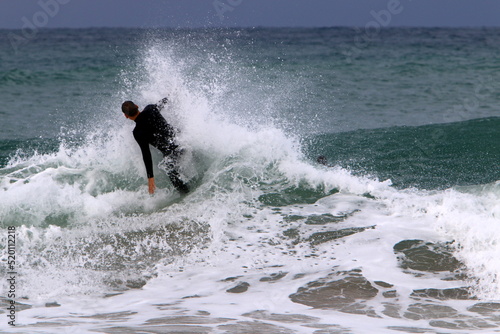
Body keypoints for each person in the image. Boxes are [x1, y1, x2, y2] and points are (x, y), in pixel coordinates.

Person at [121, 98, 189, 194]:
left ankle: (186, 194)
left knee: (169, 168)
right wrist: (174, 95)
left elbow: (146, 154)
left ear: (126, 116)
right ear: (137, 106)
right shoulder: (150, 109)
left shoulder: (138, 132)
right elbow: (165, 101)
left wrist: (150, 178)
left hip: (170, 153)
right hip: (181, 141)